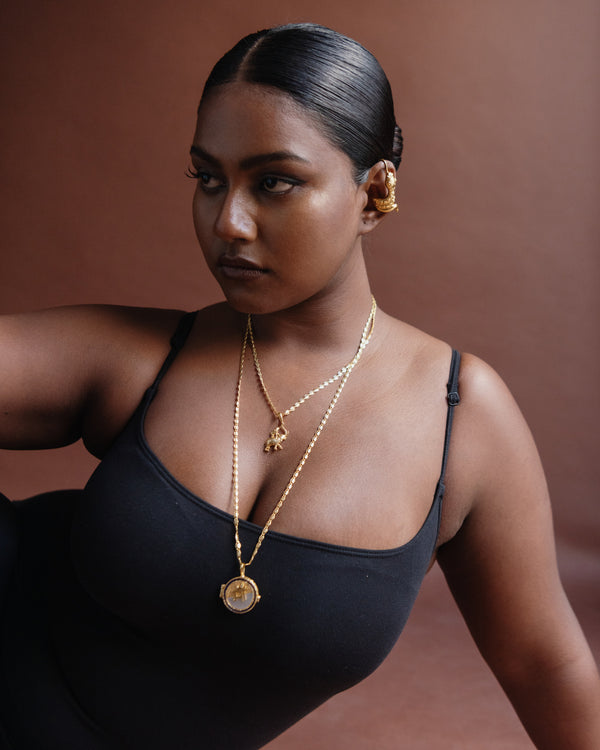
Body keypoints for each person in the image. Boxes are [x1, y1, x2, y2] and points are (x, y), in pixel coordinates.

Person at [0, 22, 599, 750]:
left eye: (274, 181)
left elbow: (545, 666)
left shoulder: (460, 420)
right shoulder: (144, 359)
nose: (229, 221)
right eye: (208, 178)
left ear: (374, 192)